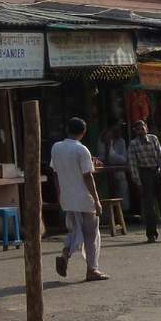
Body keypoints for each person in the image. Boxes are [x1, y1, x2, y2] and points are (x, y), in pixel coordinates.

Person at [51, 117, 109, 282]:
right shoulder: (81, 150)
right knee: (91, 235)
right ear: (83, 133)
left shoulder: (56, 148)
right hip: (84, 198)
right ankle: (92, 269)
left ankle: (66, 252)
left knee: (74, 230)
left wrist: (60, 193)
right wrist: (97, 200)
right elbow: (87, 176)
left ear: (67, 129)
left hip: (68, 197)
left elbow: (55, 173)